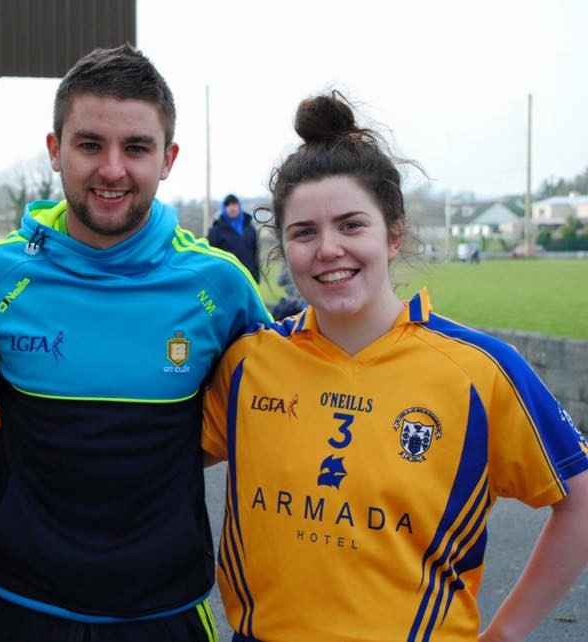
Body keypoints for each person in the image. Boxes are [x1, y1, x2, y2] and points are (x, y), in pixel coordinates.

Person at [202, 92, 588, 642]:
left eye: (351, 224)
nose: (328, 248)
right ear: (283, 249)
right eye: (304, 232)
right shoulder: (247, 363)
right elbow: (146, 463)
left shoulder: (478, 368)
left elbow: (580, 500)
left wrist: (505, 634)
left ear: (394, 233)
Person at [0, 44, 270, 642]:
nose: (112, 169)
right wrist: (16, 469)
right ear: (55, 150)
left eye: (137, 148)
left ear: (168, 158)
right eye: (90, 144)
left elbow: (270, 406)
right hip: (17, 605)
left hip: (165, 610)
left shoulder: (219, 285)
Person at [207, 194, 260, 282]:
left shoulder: (250, 228)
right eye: (228, 205)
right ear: (224, 208)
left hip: (248, 277)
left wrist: (256, 275)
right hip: (226, 278)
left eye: (234, 204)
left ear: (239, 206)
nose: (232, 208)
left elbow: (254, 253)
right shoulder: (216, 231)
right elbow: (212, 257)